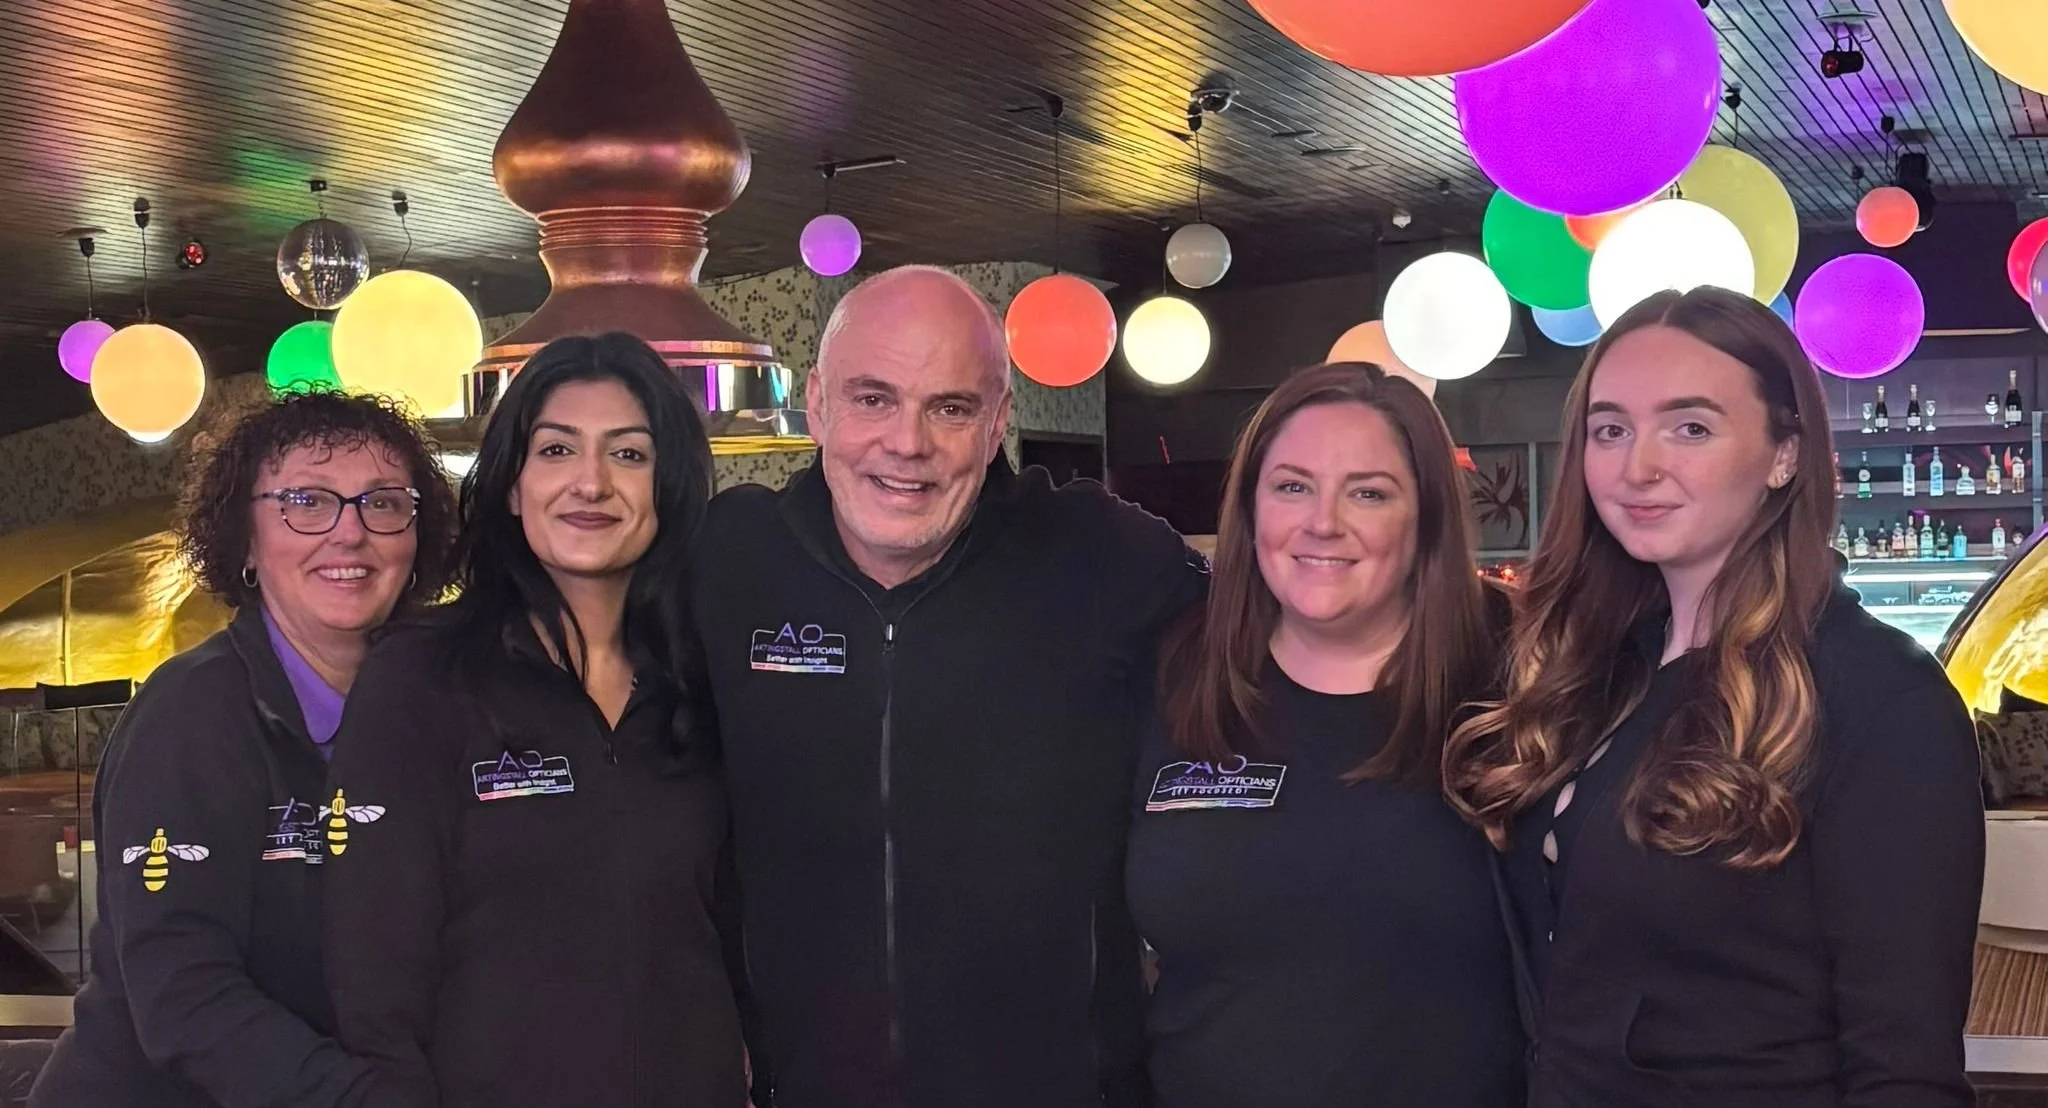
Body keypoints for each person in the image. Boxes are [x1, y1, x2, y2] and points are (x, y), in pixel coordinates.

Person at [1443, 287, 1984, 1107]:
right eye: (1610, 430)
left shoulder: (1882, 700)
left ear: (1784, 455)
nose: (1638, 467)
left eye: (1690, 428)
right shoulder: (1597, 668)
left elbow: (1904, 1071)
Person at [691, 266, 1206, 1107]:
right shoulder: (728, 562)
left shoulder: (1103, 560)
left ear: (999, 422)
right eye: (873, 398)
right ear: (816, 404)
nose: (908, 443)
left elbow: (1291, 634)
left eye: (951, 408)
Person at [323, 334, 743, 1107]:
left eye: (629, 454)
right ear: (513, 486)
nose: (591, 483)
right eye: (556, 450)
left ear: (668, 488)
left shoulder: (705, 678)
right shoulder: (423, 676)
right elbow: (374, 979)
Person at [31, 392, 456, 1108]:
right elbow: (183, 992)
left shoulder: (435, 710)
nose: (350, 533)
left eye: (383, 503)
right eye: (306, 502)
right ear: (247, 541)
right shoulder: (188, 714)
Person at [1126, 363, 1523, 1108]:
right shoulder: (1179, 673)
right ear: (1250, 507)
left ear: (1427, 519)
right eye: (1292, 487)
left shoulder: (1519, 684)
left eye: (1368, 493)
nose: (1323, 523)